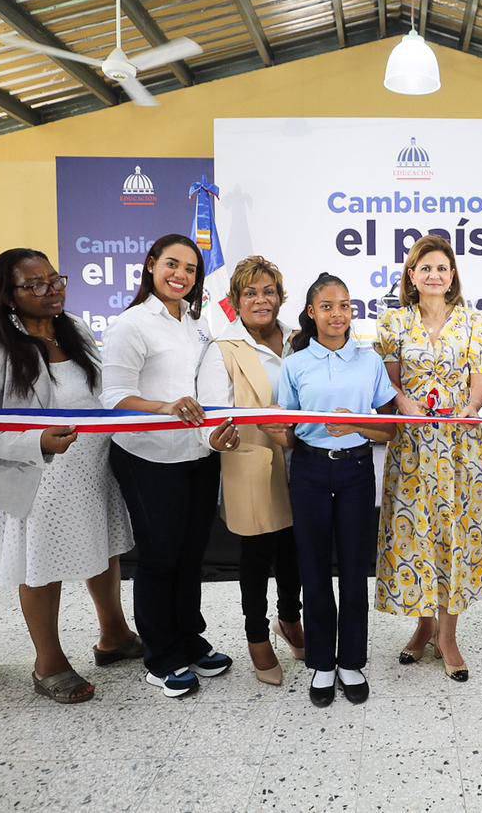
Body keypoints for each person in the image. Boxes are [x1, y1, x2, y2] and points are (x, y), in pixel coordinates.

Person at [0, 249, 140, 704]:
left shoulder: (72, 329)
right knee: (42, 566)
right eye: (34, 285)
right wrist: (37, 441)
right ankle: (48, 662)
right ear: (7, 296)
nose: (50, 291)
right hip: (37, 475)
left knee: (106, 548)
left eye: (54, 280)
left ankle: (113, 634)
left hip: (92, 467)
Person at [101, 233, 238, 698]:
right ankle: (161, 656)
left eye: (191, 269)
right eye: (172, 264)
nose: (181, 275)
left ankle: (190, 639)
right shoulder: (132, 325)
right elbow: (113, 398)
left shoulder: (197, 325)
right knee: (160, 558)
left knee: (189, 555)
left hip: (197, 455)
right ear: (151, 265)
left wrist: (215, 431)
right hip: (148, 456)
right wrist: (164, 408)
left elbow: (207, 391)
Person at [375, 235, 482, 682]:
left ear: (453, 276)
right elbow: (389, 384)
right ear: (412, 276)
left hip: (459, 447)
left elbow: (481, 383)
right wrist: (403, 402)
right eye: (426, 268)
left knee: (455, 536)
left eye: (443, 268)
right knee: (418, 538)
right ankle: (422, 625)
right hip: (412, 449)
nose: (435, 275)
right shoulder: (393, 322)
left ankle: (448, 636)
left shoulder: (475, 321)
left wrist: (471, 408)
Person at [265, 273, 397, 706]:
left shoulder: (369, 360)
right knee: (315, 568)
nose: (338, 313)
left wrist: (354, 424)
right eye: (327, 306)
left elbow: (388, 430)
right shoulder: (296, 364)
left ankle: (351, 660)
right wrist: (274, 430)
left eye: (345, 305)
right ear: (311, 313)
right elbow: (287, 429)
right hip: (310, 472)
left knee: (356, 568)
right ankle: (322, 661)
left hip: (357, 471)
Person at [195, 255, 305, 686]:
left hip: (302, 461)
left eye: (269, 291)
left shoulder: (300, 341)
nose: (262, 300)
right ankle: (257, 635)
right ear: (235, 300)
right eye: (251, 293)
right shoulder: (223, 350)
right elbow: (211, 415)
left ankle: (290, 621)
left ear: (281, 297)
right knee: (258, 556)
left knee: (295, 551)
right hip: (252, 463)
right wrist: (214, 437)